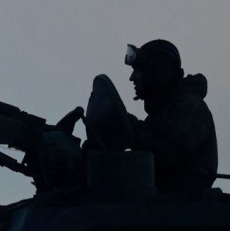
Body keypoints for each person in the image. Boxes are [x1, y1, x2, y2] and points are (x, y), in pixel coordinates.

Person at [78, 40, 218, 196]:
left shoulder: (191, 108)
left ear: (158, 72)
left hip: (182, 207)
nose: (132, 78)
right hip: (164, 205)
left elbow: (163, 152)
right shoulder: (161, 115)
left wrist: (128, 127)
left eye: (139, 70)